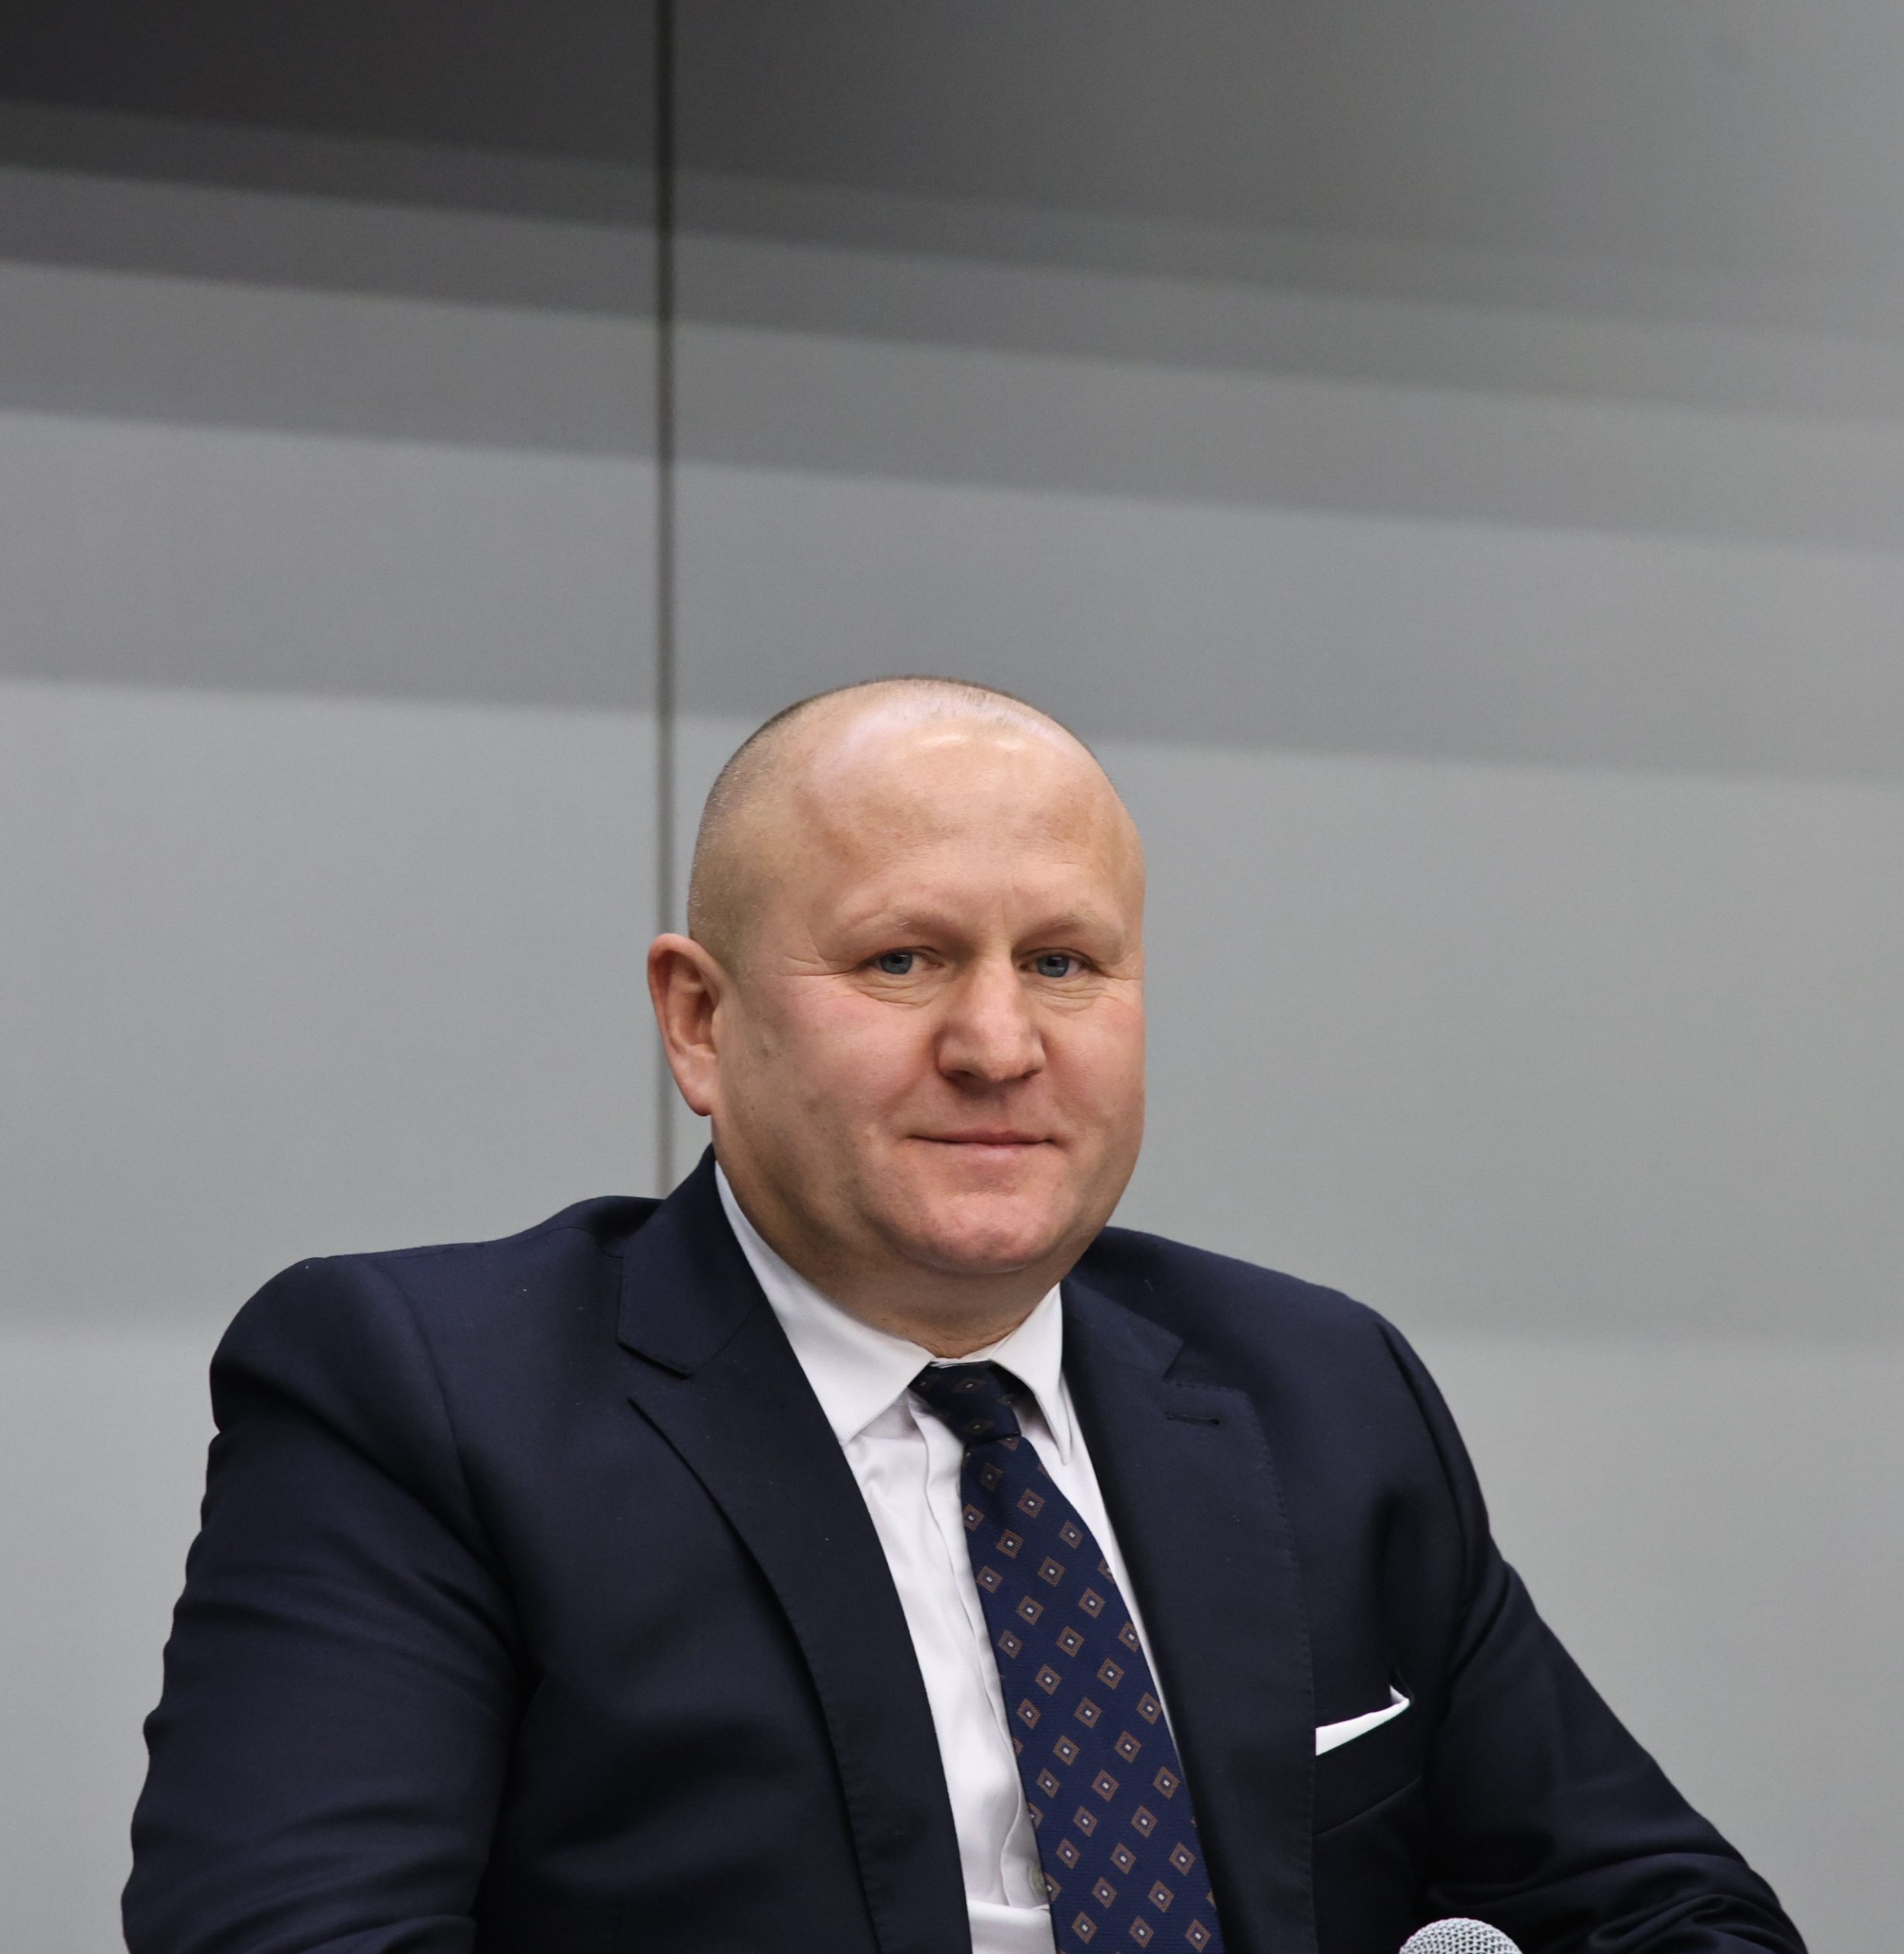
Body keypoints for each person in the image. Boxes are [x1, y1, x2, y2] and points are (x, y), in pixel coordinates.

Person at [124, 678, 1804, 1954]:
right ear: (698, 1022)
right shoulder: (424, 1398)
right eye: (903, 961)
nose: (999, 1045)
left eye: (1063, 963)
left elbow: (1673, 1913)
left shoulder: (1318, 1388)